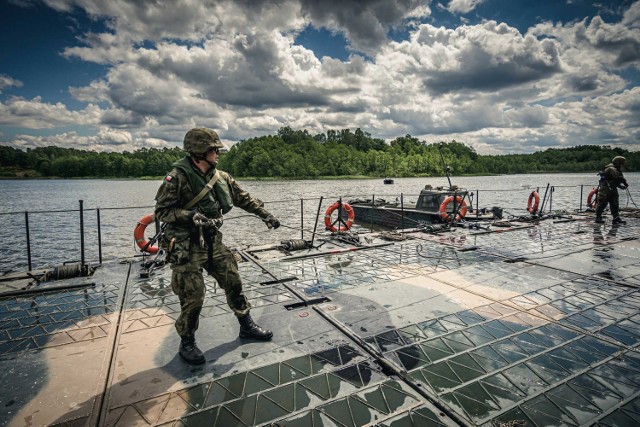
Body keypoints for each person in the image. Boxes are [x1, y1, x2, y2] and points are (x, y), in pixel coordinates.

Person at [154, 128, 280, 365]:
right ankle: (187, 341)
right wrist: (188, 215)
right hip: (185, 245)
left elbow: (244, 199)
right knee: (194, 296)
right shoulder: (176, 178)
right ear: (199, 151)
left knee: (233, 280)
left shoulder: (222, 177)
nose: (218, 153)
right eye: (214, 149)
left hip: (212, 241)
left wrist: (266, 215)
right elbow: (162, 211)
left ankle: (246, 325)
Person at [595, 156, 629, 224]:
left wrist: (620, 186)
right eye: (621, 163)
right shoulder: (611, 168)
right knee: (602, 203)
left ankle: (616, 218)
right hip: (605, 189)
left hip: (613, 188)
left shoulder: (617, 169)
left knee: (615, 203)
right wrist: (625, 183)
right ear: (618, 163)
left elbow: (615, 181)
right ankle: (598, 217)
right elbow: (618, 178)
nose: (622, 165)